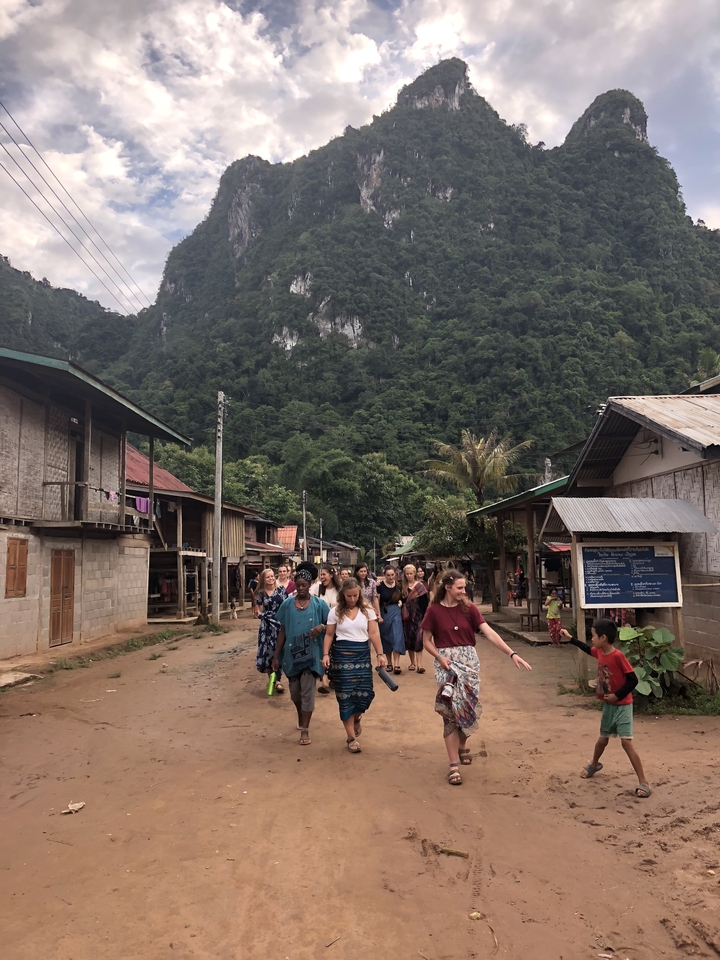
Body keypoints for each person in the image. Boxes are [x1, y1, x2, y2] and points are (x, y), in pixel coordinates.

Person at [422, 570, 532, 786]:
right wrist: (439, 657)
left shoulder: (470, 609)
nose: (464, 591)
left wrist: (512, 653)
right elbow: (426, 640)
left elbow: (490, 633)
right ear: (448, 588)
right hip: (447, 665)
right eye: (460, 588)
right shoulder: (433, 611)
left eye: (465, 588)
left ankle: (463, 744)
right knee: (450, 713)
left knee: (468, 711)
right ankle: (453, 765)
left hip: (469, 663)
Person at [560, 619, 650, 797]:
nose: (591, 639)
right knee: (602, 739)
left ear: (603, 637)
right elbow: (587, 649)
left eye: (593, 635)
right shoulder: (600, 652)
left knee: (626, 742)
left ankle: (644, 782)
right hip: (609, 705)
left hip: (623, 705)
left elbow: (633, 680)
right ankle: (594, 764)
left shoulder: (618, 656)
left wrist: (618, 695)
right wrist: (571, 639)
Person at [322, 577, 387, 753]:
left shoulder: (368, 611)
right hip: (341, 657)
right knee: (345, 697)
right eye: (349, 596)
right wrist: (326, 654)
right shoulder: (335, 612)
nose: (352, 599)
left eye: (355, 596)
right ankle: (351, 738)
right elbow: (329, 635)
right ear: (343, 595)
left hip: (362, 656)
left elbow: (373, 633)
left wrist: (380, 654)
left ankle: (356, 717)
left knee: (366, 694)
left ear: (359, 594)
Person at [273, 563, 329, 745]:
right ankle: (300, 714)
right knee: (295, 694)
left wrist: (321, 627)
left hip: (311, 656)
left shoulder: (319, 605)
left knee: (307, 693)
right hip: (291, 655)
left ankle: (305, 730)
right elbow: (282, 630)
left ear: (310, 584)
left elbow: (332, 626)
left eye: (304, 585)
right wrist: (276, 655)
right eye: (298, 585)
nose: (301, 589)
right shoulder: (288, 604)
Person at [254, 568, 288, 694]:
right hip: (267, 627)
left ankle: (278, 679)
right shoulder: (260, 593)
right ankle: (273, 680)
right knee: (267, 652)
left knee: (278, 651)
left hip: (279, 625)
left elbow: (287, 606)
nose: (271, 579)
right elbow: (257, 610)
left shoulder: (281, 591)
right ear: (263, 579)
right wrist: (260, 615)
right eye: (268, 577)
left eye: (272, 576)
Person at [310, 564, 340, 693]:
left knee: (335, 652)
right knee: (324, 651)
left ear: (331, 575)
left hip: (338, 625)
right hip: (321, 625)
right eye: (320, 575)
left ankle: (333, 678)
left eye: (324, 574)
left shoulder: (339, 590)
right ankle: (324, 680)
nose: (322, 577)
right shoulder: (316, 588)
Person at [376, 565, 405, 672]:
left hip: (396, 612)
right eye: (388, 575)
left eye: (392, 575)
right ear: (384, 575)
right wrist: (378, 615)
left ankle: (397, 664)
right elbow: (377, 601)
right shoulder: (379, 586)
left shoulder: (399, 585)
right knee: (386, 637)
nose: (390, 577)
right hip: (384, 612)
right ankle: (389, 663)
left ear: (395, 574)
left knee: (397, 636)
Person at [401, 563, 429, 674]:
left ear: (414, 574)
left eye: (411, 573)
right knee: (409, 638)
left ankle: (419, 664)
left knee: (419, 639)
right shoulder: (402, 586)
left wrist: (425, 617)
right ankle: (412, 663)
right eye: (407, 574)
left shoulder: (420, 587)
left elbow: (424, 604)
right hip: (406, 617)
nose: (409, 576)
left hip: (418, 616)